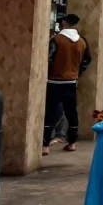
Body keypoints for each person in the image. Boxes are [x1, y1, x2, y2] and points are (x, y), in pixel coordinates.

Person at [42, 14, 91, 156]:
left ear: (63, 23)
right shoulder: (82, 41)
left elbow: (49, 58)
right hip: (71, 82)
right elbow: (87, 60)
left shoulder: (57, 40)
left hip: (54, 81)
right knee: (71, 112)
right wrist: (77, 72)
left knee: (51, 112)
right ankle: (72, 142)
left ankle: (45, 145)